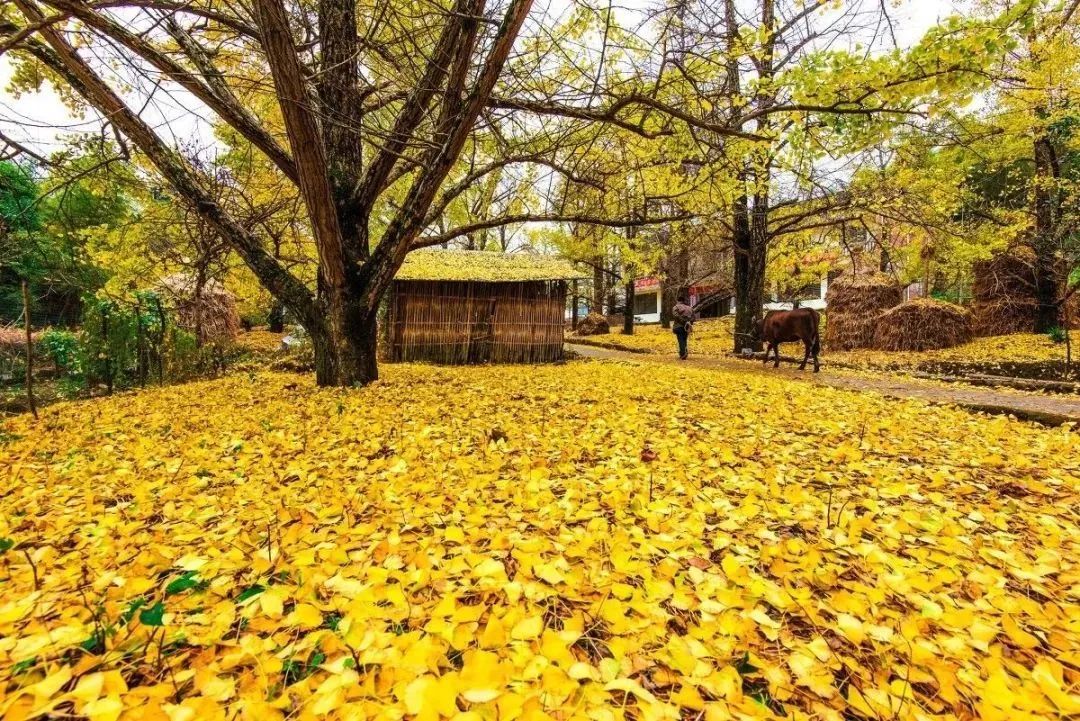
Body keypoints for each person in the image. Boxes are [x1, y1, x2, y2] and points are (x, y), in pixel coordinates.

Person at [672, 294, 695, 360]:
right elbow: (693, 317)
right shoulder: (690, 308)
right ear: (684, 301)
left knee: (680, 339)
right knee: (684, 339)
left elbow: (675, 316)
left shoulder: (676, 307)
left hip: (679, 326)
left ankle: (683, 354)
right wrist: (689, 322)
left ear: (678, 301)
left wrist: (683, 321)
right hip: (687, 326)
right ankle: (685, 352)